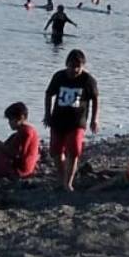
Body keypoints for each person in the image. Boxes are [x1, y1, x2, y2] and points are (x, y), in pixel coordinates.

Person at [44, 49, 99, 191]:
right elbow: (49, 94)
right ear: (66, 64)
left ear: (83, 66)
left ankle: (68, 183)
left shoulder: (88, 80)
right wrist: (47, 114)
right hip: (58, 120)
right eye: (71, 66)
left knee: (74, 151)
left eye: (77, 67)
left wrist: (94, 119)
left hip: (77, 122)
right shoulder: (59, 77)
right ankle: (63, 177)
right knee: (55, 151)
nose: (74, 70)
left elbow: (95, 99)